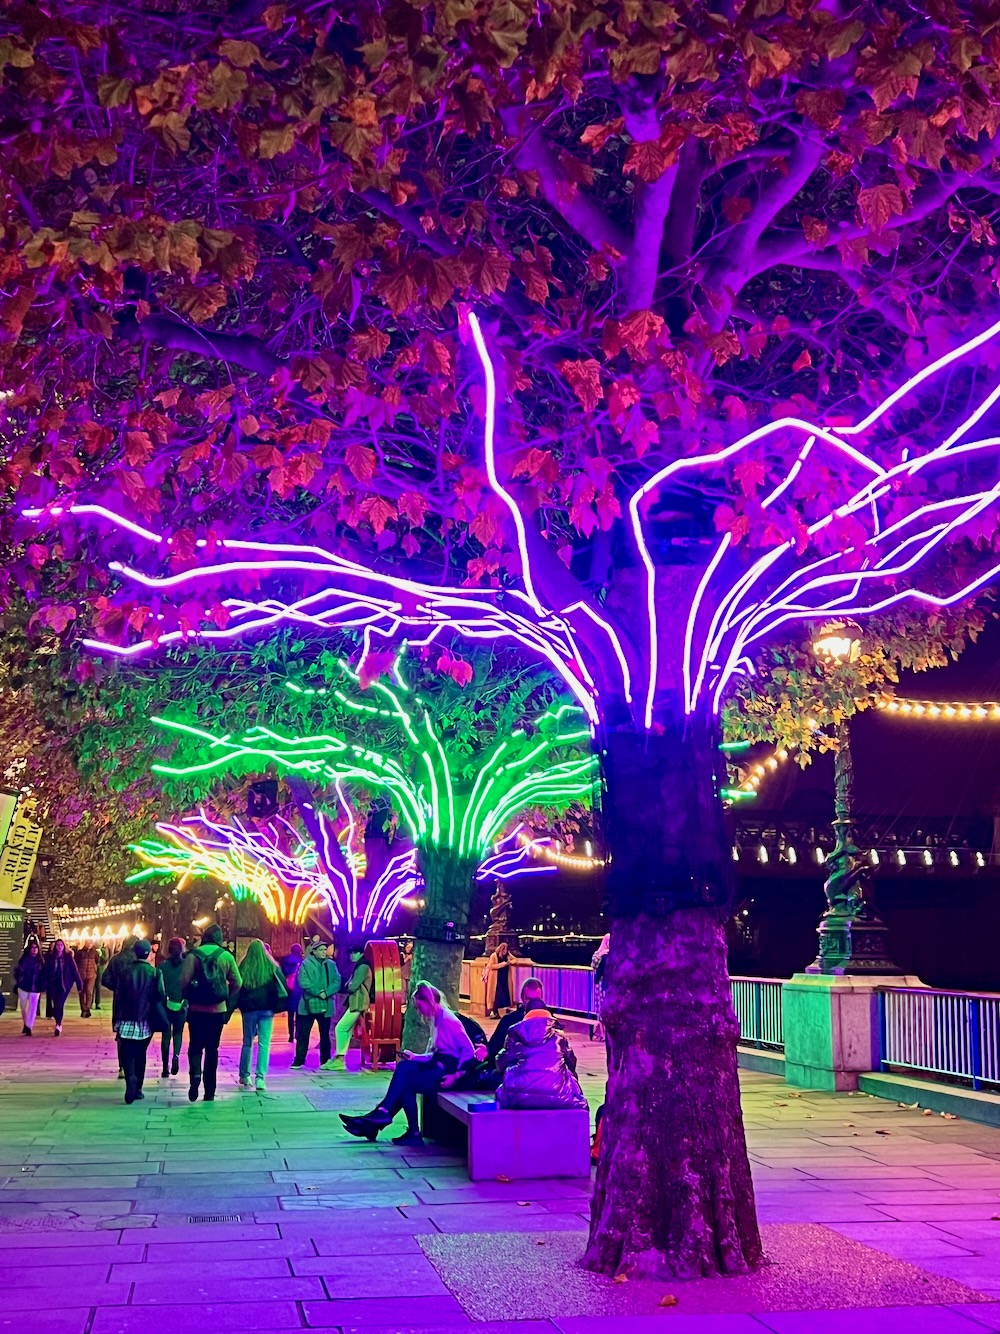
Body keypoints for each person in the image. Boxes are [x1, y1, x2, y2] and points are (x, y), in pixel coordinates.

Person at [339, 981, 474, 1147]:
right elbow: (437, 1053)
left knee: (407, 1083)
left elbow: (468, 1050)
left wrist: (456, 1075)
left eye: (419, 1007)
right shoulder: (436, 1019)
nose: (418, 1011)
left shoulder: (448, 1020)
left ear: (428, 1002)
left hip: (446, 1072)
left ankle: (386, 1118)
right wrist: (415, 1057)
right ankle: (378, 1119)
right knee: (404, 1068)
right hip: (438, 1065)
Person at [180, 923, 242, 1103]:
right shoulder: (226, 956)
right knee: (212, 1049)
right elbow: (238, 982)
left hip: (196, 1010)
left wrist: (188, 996)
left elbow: (183, 981)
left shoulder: (193, 956)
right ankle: (210, 1090)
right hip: (217, 1010)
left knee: (195, 1046)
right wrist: (227, 998)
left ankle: (195, 1076)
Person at [495, 1000, 587, 1110]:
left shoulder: (515, 1035)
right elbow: (572, 1063)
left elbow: (500, 1063)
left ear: (525, 1014)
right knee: (568, 1073)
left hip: (518, 1095)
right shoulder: (559, 1037)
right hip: (560, 1095)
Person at [115, 938, 167, 1105]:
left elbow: (119, 996)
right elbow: (160, 995)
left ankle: (130, 1076)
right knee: (140, 1054)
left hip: (126, 1017)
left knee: (127, 1052)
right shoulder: (154, 973)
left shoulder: (124, 972)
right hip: (145, 1019)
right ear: (148, 953)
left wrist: (116, 1019)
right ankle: (137, 1089)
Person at [236, 939, 288, 1091]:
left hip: (249, 1010)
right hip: (267, 1009)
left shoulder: (243, 967)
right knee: (264, 1044)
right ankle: (260, 1078)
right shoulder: (271, 966)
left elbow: (237, 987)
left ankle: (244, 1075)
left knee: (247, 1042)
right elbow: (282, 985)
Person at [291, 941, 340, 1071]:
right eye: (321, 950)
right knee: (303, 1033)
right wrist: (319, 992)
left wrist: (327, 992)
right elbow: (303, 982)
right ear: (314, 951)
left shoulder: (331, 965)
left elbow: (336, 981)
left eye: (325, 949)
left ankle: (325, 1060)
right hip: (307, 1005)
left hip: (326, 1004)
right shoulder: (305, 964)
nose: (324, 952)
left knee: (325, 1034)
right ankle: (299, 1059)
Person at [486, 975, 546, 1068]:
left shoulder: (551, 1023)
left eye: (536, 1000)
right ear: (522, 997)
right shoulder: (509, 1021)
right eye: (529, 999)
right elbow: (494, 1048)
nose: (532, 1004)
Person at [330, 945, 372, 1070]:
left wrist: (349, 985)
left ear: (360, 953)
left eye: (354, 953)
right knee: (346, 1030)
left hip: (359, 1001)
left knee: (340, 1028)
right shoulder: (360, 965)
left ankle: (340, 1058)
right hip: (356, 1001)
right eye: (351, 953)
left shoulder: (363, 966)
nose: (351, 955)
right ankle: (339, 1058)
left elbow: (352, 986)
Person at [102, 941, 138, 1077]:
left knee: (121, 1034)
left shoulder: (116, 959)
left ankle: (122, 1066)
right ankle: (133, 1064)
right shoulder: (138, 960)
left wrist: (116, 987)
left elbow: (105, 979)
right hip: (137, 1001)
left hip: (120, 1000)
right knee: (136, 1032)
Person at [158, 937, 187, 1077]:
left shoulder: (162, 966)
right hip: (181, 1004)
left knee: (166, 1035)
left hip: (165, 1004)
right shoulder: (186, 965)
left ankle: (165, 1067)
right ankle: (176, 1055)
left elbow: (158, 986)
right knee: (178, 1033)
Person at [42, 939, 82, 1036]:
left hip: (64, 984)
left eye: (61, 945)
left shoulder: (68, 957)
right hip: (53, 984)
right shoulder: (51, 957)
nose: (59, 947)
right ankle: (58, 1021)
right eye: (58, 945)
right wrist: (44, 983)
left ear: (64, 947)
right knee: (56, 1004)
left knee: (60, 1003)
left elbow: (75, 971)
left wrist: (79, 984)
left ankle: (58, 1025)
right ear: (55, 947)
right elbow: (45, 971)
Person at [14, 940, 44, 1036]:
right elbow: (17, 971)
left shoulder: (41, 960)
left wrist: (43, 984)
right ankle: (26, 1023)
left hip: (35, 986)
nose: (34, 950)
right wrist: (19, 980)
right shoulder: (23, 959)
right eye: (32, 948)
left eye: (36, 948)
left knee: (33, 1007)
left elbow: (43, 974)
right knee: (23, 1007)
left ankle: (29, 1026)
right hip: (23, 986)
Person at [280, 942, 304, 1044]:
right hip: (299, 989)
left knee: (290, 1014)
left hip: (289, 988)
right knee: (299, 1013)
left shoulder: (284, 961)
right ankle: (297, 1034)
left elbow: (283, 973)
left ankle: (290, 1035)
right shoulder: (302, 962)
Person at [484, 940, 512, 1018]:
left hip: (504, 978)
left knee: (503, 995)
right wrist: (502, 964)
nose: (505, 951)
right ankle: (494, 1011)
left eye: (506, 950)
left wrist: (510, 962)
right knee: (495, 995)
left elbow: (514, 960)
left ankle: (499, 1012)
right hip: (496, 978)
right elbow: (491, 966)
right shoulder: (494, 956)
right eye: (503, 950)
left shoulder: (507, 955)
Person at [592, 931, 610, 1043]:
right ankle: (606, 1034)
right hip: (609, 985)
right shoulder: (612, 954)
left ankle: (602, 1034)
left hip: (599, 984)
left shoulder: (598, 954)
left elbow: (593, 966)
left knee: (600, 1009)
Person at [77, 942, 98, 1018]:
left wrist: (95, 971)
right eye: (88, 943)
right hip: (81, 975)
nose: (89, 944)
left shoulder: (95, 953)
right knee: (81, 992)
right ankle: (83, 1009)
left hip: (91, 975)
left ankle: (87, 1008)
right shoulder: (80, 953)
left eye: (91, 943)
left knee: (89, 991)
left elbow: (97, 962)